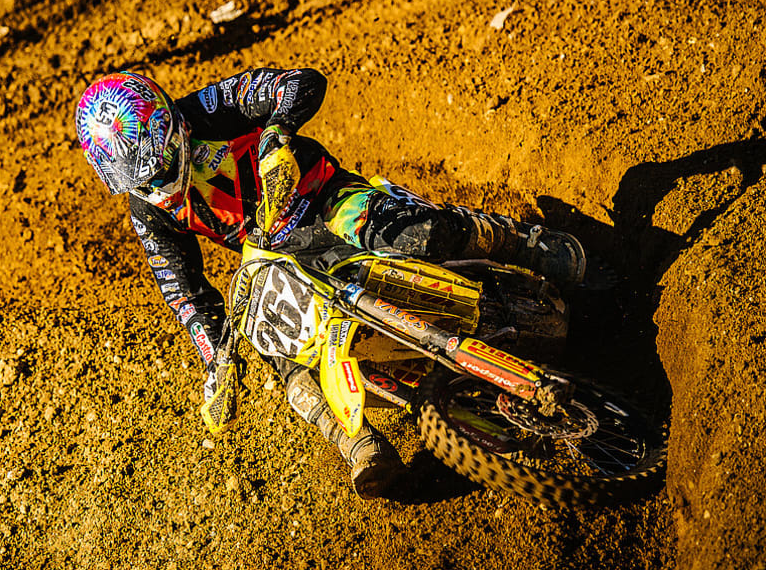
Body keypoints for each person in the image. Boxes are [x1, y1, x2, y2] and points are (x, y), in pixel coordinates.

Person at [74, 68, 586, 499]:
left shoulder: (210, 108)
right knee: (272, 341)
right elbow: (182, 289)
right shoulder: (147, 208)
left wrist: (276, 137)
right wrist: (216, 361)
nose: (156, 182)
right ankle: (358, 442)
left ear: (170, 126)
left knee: (413, 235)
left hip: (321, 199)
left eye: (158, 164)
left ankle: (519, 241)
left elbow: (300, 83)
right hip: (271, 250)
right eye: (139, 179)